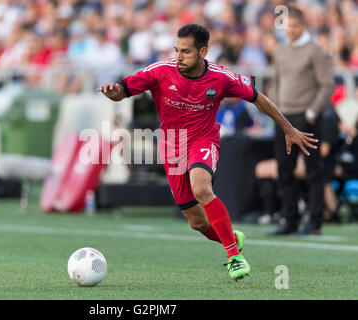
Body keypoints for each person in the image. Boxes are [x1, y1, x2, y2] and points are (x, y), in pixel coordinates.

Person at [97, 24, 317, 281]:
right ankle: (232, 238)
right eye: (176, 50)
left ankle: (234, 256)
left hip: (204, 139)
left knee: (201, 188)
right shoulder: (160, 71)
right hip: (172, 146)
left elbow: (258, 97)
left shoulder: (221, 77)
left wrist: (288, 128)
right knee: (197, 223)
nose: (178, 56)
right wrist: (113, 94)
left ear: (203, 52)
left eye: (186, 52)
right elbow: (123, 90)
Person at [268, 6, 334, 235]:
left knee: (313, 170)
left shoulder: (315, 51)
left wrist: (312, 113)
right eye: (287, 26)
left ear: (303, 25)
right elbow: (275, 82)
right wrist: (274, 109)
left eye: (294, 26)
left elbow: (327, 85)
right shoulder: (280, 50)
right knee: (284, 171)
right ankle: (289, 219)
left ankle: (315, 222)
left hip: (306, 118)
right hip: (283, 117)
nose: (290, 30)